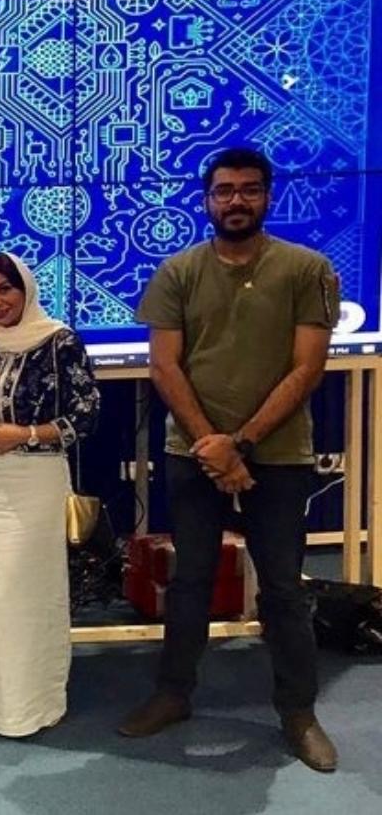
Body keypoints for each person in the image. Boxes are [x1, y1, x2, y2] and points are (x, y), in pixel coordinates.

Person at [121, 147, 340, 772]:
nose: (236, 200)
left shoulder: (308, 269)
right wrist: (212, 446)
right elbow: (165, 366)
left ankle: (298, 713)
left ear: (268, 196)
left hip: (279, 456)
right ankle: (173, 694)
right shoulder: (178, 272)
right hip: (193, 455)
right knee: (190, 580)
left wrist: (239, 444)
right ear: (208, 199)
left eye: (248, 189)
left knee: (283, 589)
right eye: (224, 191)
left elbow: (308, 368)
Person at [0, 251, 99, 737]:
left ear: (25, 290)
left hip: (34, 481)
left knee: (23, 590)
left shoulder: (59, 341)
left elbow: (87, 415)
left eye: (4, 290)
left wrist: (28, 434)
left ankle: (26, 704)